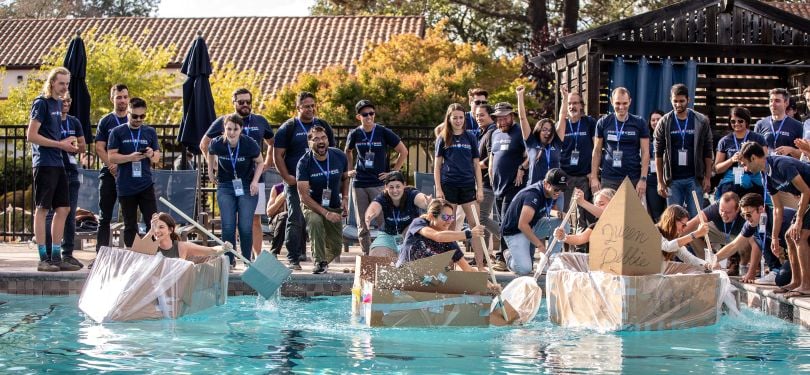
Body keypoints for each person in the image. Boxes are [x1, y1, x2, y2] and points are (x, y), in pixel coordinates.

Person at [200, 88, 274, 260]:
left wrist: (267, 163)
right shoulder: (223, 122)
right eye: (241, 102)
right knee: (229, 223)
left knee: (253, 222)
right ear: (234, 102)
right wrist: (215, 168)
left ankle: (255, 259)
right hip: (229, 181)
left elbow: (272, 143)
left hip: (253, 180)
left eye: (248, 102)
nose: (245, 105)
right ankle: (230, 258)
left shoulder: (260, 121)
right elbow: (205, 145)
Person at [274, 92, 336, 270]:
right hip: (295, 182)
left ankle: (321, 258)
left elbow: (331, 150)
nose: (310, 109)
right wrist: (286, 177)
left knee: (322, 218)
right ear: (298, 108)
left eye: (313, 105)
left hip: (318, 181)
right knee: (295, 218)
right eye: (306, 106)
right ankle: (293, 258)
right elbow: (277, 154)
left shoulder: (322, 125)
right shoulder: (289, 127)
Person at [738, 142, 810, 294]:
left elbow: (805, 190)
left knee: (799, 236)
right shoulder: (766, 175)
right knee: (789, 237)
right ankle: (796, 281)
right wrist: (775, 237)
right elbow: (777, 207)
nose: (745, 168)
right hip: (807, 199)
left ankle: (807, 285)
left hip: (808, 195)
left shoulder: (781, 164)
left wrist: (798, 220)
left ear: (753, 158)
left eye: (745, 164)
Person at [26, 67, 78, 272]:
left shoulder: (58, 103)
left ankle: (56, 256)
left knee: (64, 208)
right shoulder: (41, 103)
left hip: (58, 162)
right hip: (44, 163)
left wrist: (66, 145)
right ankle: (43, 258)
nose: (65, 87)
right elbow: (31, 135)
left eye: (67, 83)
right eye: (61, 83)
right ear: (52, 83)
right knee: (42, 209)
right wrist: (60, 145)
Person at [345, 99, 408, 254]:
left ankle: (390, 253)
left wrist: (393, 173)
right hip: (359, 183)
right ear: (358, 117)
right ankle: (367, 255)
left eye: (371, 113)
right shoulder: (355, 134)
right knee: (362, 224)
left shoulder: (382, 131)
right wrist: (349, 169)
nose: (368, 117)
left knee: (384, 221)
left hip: (379, 183)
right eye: (364, 114)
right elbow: (348, 151)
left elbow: (403, 151)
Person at [207, 114, 263, 267]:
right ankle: (229, 260)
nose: (231, 132)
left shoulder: (248, 144)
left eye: (235, 129)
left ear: (241, 129)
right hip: (225, 185)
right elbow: (210, 152)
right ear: (224, 129)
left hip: (245, 185)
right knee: (228, 226)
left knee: (245, 226)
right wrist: (211, 171)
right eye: (228, 128)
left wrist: (255, 182)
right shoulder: (218, 143)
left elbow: (260, 161)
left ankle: (246, 260)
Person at [434, 103, 485, 269]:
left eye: (461, 117)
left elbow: (476, 165)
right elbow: (437, 166)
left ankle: (479, 264)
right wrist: (439, 189)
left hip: (468, 186)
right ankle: (448, 265)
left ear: (465, 119)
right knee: (449, 224)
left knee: (475, 225)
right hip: (449, 186)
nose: (458, 120)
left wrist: (480, 188)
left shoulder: (470, 137)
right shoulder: (443, 138)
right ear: (449, 119)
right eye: (454, 117)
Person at [107, 97, 161, 248]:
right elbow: (112, 157)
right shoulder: (118, 132)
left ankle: (152, 251)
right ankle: (132, 253)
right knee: (130, 224)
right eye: (135, 116)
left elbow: (157, 158)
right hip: (126, 185)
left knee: (154, 221)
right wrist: (130, 157)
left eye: (142, 116)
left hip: (145, 183)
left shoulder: (149, 132)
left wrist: (151, 154)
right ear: (128, 113)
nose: (138, 119)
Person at [653, 84, 713, 218]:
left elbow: (708, 150)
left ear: (688, 100)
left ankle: (694, 240)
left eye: (681, 101)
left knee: (696, 217)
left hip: (694, 178)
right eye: (675, 101)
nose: (678, 104)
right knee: (674, 219)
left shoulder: (701, 120)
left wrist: (707, 177)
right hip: (673, 180)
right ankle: (675, 240)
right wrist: (660, 181)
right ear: (670, 100)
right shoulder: (664, 122)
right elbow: (658, 153)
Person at [297, 126, 349, 274]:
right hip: (311, 204)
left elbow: (345, 178)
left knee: (336, 247)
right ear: (309, 143)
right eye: (316, 139)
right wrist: (325, 214)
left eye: (323, 138)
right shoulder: (303, 163)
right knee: (315, 221)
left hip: (333, 204)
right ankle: (319, 262)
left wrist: (345, 198)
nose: (321, 142)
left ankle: (323, 261)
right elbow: (304, 196)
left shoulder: (339, 155)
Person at [713, 193, 794, 285]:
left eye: (748, 214)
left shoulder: (780, 219)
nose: (747, 219)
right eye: (743, 215)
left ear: (760, 209)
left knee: (782, 279)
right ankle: (775, 269)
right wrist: (714, 259)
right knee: (757, 236)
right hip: (791, 252)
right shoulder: (752, 223)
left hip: (802, 250)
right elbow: (734, 245)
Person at [44, 92, 86, 271]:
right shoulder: (50, 120)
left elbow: (83, 145)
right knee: (51, 213)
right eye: (63, 100)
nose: (67, 103)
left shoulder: (74, 122)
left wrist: (75, 146)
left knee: (69, 214)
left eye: (69, 100)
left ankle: (67, 253)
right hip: (53, 169)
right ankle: (48, 254)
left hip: (70, 172)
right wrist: (61, 143)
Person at [500, 168, 568, 276]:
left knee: (563, 224)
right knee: (525, 269)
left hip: (532, 224)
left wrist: (557, 213)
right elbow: (522, 224)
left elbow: (542, 208)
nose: (559, 193)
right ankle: (509, 257)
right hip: (515, 231)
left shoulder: (549, 192)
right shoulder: (533, 195)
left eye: (562, 189)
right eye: (556, 189)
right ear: (546, 184)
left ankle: (549, 264)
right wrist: (539, 245)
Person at [486, 101, 527, 271]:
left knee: (506, 222)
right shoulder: (494, 133)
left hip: (514, 186)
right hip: (497, 186)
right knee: (502, 221)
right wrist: (490, 167)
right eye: (498, 119)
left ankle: (501, 257)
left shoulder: (520, 132)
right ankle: (509, 255)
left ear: (512, 116)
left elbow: (534, 152)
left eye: (504, 118)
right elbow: (493, 154)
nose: (501, 122)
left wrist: (522, 168)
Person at [591, 87, 650, 196]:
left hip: (633, 178)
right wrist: (594, 177)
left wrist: (643, 179)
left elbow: (645, 152)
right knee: (608, 212)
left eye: (625, 103)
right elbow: (597, 151)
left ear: (630, 102)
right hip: (609, 178)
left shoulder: (639, 122)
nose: (621, 107)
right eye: (617, 103)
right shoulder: (603, 122)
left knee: (632, 212)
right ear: (611, 101)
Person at [396, 198, 483, 272]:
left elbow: (468, 269)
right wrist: (469, 233)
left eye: (451, 217)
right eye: (445, 217)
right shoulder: (419, 223)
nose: (449, 221)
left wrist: (487, 284)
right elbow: (437, 236)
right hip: (404, 272)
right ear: (431, 216)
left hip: (425, 278)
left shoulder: (448, 239)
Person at [93, 83, 129, 262]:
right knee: (104, 216)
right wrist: (111, 165)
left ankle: (131, 256)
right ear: (112, 99)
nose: (122, 101)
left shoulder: (134, 119)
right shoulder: (106, 121)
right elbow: (99, 147)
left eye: (124, 97)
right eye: (118, 97)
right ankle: (101, 257)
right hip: (109, 174)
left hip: (129, 175)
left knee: (130, 216)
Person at [364, 171, 431, 258]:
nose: (395, 190)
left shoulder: (411, 194)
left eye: (398, 186)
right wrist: (369, 215)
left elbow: (421, 199)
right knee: (376, 256)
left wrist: (426, 202)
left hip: (410, 234)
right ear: (386, 187)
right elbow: (374, 207)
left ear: (404, 185)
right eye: (391, 187)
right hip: (388, 235)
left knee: (413, 230)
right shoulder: (383, 197)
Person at [557, 85, 597, 225]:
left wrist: (593, 173)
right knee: (563, 213)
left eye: (575, 103)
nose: (572, 106)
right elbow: (557, 143)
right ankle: (564, 243)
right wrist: (564, 98)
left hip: (583, 176)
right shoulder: (563, 124)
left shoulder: (589, 122)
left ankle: (581, 246)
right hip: (565, 175)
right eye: (569, 103)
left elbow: (596, 148)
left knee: (584, 214)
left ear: (581, 105)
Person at [683, 191, 747, 271]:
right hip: (720, 233)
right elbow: (694, 221)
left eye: (728, 212)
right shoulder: (716, 207)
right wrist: (673, 237)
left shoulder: (745, 214)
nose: (723, 214)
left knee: (748, 240)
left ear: (737, 209)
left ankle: (742, 265)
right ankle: (708, 264)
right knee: (694, 229)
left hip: (738, 238)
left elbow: (755, 243)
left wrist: (752, 271)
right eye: (721, 210)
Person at [714, 107, 768, 200]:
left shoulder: (758, 138)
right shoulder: (725, 141)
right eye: (733, 121)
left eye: (740, 121)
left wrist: (749, 161)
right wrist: (731, 160)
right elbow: (717, 168)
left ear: (746, 121)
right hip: (732, 179)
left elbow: (765, 161)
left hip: (754, 178)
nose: (736, 124)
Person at [517, 85, 564, 186]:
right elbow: (522, 118)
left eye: (550, 130)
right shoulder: (531, 143)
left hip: (554, 189)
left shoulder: (556, 143)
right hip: (535, 188)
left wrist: (565, 98)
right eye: (544, 130)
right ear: (539, 130)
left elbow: (563, 117)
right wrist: (520, 96)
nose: (548, 132)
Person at [146, 213, 231, 260]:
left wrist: (224, 248)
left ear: (170, 230)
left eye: (161, 227)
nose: (157, 231)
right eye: (154, 227)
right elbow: (135, 254)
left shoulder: (182, 247)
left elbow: (211, 250)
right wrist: (151, 231)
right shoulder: (149, 248)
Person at [475, 104, 501, 253]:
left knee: (481, 219)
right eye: (477, 115)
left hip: (487, 183)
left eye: (482, 115)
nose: (478, 118)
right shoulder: (483, 132)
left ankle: (507, 236)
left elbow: (493, 157)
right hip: (481, 182)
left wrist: (476, 166)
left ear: (491, 116)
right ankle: (484, 253)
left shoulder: (492, 132)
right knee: (481, 219)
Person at [645, 110, 667, 222]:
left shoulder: (669, 138)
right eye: (653, 120)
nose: (656, 122)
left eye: (658, 119)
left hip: (668, 179)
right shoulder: (646, 139)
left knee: (669, 211)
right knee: (656, 213)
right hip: (652, 180)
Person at [265, 183, 287, 257]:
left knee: (299, 218)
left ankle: (301, 252)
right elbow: (269, 212)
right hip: (276, 221)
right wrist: (282, 197)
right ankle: (274, 251)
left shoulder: (301, 185)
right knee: (284, 215)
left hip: (295, 218)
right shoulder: (277, 188)